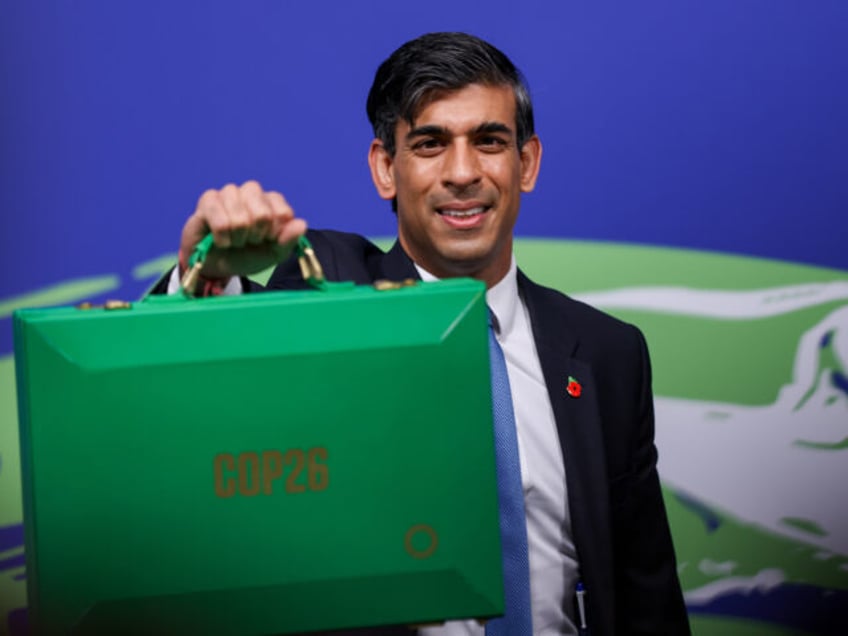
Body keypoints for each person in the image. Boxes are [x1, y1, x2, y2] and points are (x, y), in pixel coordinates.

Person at [156, 32, 690, 635]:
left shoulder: (606, 353)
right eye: (431, 144)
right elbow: (208, 396)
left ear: (528, 163)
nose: (463, 173)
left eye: (489, 141)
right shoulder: (331, 288)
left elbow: (647, 597)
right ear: (386, 168)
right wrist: (207, 277)